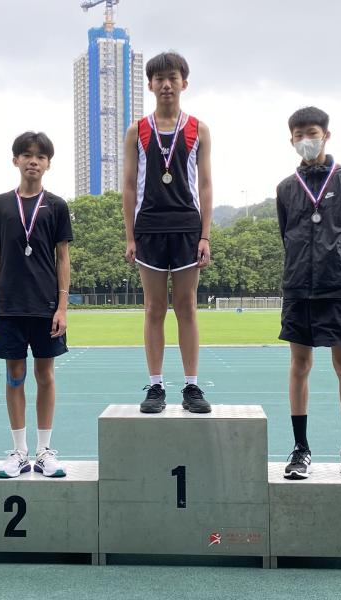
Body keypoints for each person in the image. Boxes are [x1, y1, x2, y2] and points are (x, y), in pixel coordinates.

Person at [275, 106, 341, 481]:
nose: (305, 141)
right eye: (298, 136)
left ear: (326, 135)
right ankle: (300, 449)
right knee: (299, 366)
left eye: (311, 133)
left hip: (337, 287)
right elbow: (287, 236)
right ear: (291, 140)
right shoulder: (285, 188)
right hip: (298, 287)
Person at [122, 51, 213, 414]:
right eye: (158, 78)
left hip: (187, 226)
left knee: (187, 307)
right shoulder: (137, 130)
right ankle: (156, 386)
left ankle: (191, 387)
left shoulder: (198, 129)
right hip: (150, 227)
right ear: (150, 85)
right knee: (154, 308)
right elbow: (129, 186)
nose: (165, 84)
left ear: (184, 83)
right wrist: (130, 236)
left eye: (172, 77)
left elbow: (205, 185)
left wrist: (205, 235)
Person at [0, 131, 73, 479]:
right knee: (15, 376)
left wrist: (62, 307)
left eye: (40, 156)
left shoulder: (57, 205)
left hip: (45, 304)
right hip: (9, 305)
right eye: (26, 154)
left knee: (45, 375)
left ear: (48, 163)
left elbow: (63, 257)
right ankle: (19, 451)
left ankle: (44, 451)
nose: (33, 160)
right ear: (15, 160)